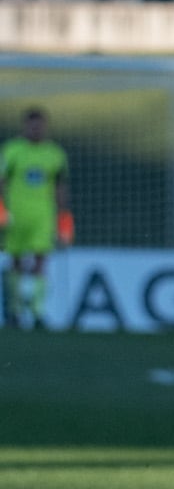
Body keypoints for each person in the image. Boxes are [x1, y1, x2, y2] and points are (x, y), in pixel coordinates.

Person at [1, 108, 74, 329]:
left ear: (45, 126)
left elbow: (61, 187)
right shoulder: (12, 150)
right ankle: (14, 312)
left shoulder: (55, 153)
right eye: (32, 125)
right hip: (16, 215)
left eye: (40, 125)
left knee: (41, 260)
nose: (36, 129)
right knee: (15, 261)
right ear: (25, 126)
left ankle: (37, 312)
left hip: (43, 216)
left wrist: (64, 221)